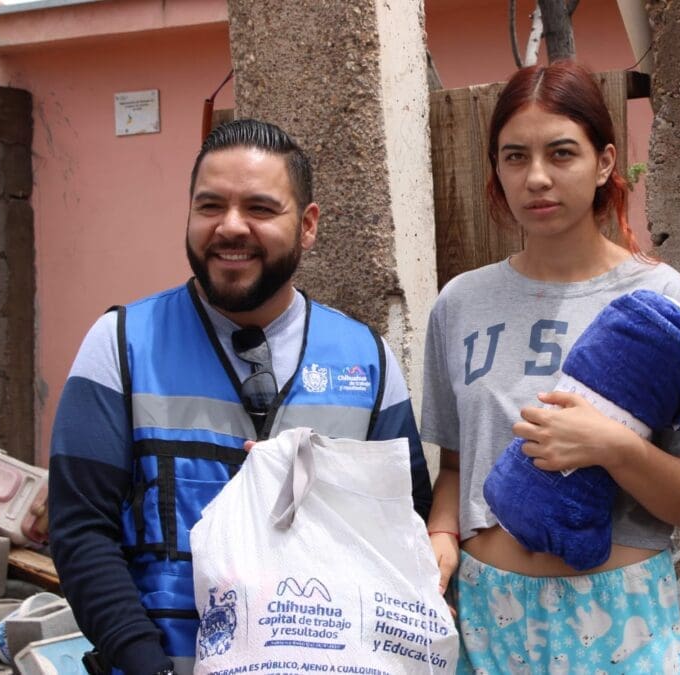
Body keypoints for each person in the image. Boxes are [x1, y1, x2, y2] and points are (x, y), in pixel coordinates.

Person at [48, 119, 433, 675]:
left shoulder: (366, 361)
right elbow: (81, 531)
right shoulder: (121, 345)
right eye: (209, 207)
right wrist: (143, 664)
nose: (230, 227)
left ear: (307, 226)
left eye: (259, 208)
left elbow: (405, 529)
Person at [421, 61, 680, 673]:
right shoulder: (459, 303)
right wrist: (440, 536)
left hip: (619, 624)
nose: (537, 177)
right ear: (496, 171)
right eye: (515, 157)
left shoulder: (661, 302)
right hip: (488, 623)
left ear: (604, 162)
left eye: (561, 153)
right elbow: (457, 467)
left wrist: (613, 448)